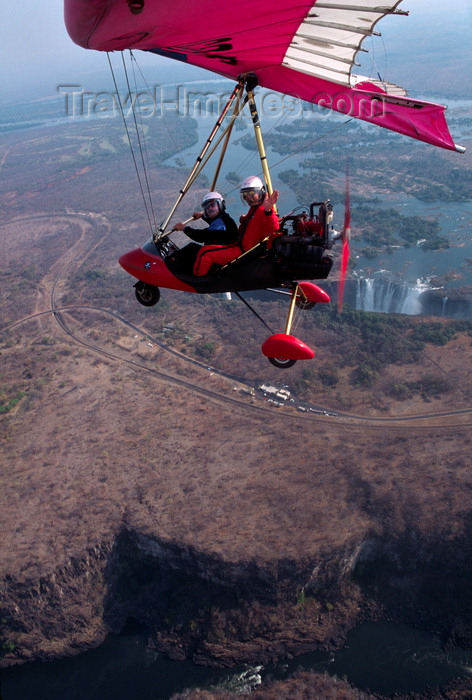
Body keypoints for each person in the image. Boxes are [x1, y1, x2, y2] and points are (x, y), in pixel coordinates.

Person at [192, 176, 280, 277]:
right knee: (206, 249)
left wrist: (268, 211)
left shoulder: (263, 209)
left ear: (261, 192)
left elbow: (273, 228)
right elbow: (254, 223)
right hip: (238, 246)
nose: (248, 197)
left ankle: (198, 277)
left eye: (251, 193)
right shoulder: (255, 208)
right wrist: (244, 220)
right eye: (245, 194)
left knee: (205, 254)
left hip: (242, 253)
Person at [173, 192, 238, 246]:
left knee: (191, 248)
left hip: (220, 256)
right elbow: (215, 227)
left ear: (221, 204)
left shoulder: (222, 223)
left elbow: (201, 236)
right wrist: (202, 216)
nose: (209, 208)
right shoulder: (224, 218)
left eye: (213, 205)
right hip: (221, 251)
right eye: (207, 207)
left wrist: (184, 228)